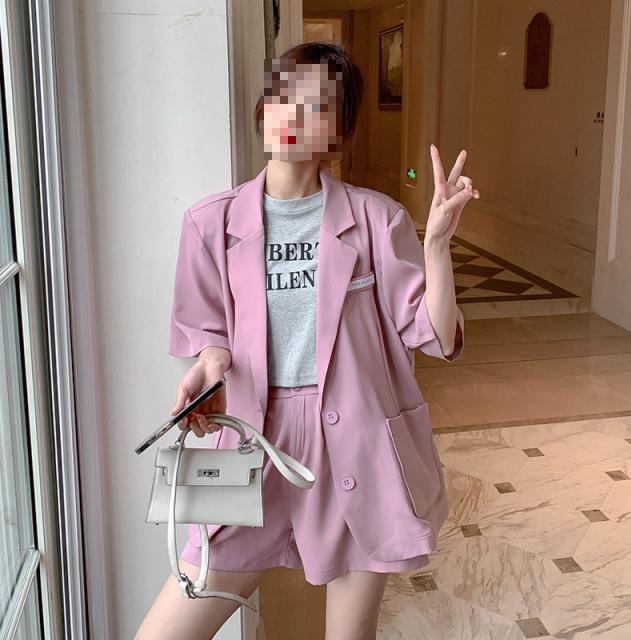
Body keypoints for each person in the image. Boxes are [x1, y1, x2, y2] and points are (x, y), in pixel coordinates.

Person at [135, 40, 478, 640]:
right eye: (284, 97)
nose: (294, 114)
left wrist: (436, 250)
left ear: (339, 134)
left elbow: (434, 334)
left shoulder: (377, 219)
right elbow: (209, 333)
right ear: (263, 110)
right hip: (252, 443)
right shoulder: (209, 223)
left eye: (317, 105)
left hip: (355, 443)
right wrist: (208, 368)